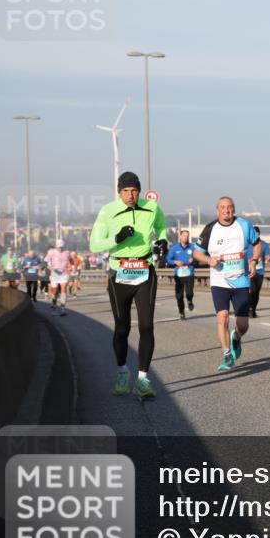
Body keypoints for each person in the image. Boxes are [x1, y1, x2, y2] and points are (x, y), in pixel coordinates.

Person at [89, 171, 169, 399]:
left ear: (139, 190)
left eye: (134, 190)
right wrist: (117, 238)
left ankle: (143, 378)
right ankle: (122, 371)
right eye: (125, 191)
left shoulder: (152, 208)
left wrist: (163, 241)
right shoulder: (108, 211)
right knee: (122, 326)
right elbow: (94, 245)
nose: (130, 195)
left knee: (146, 326)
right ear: (119, 191)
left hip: (145, 271)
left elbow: (162, 228)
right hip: (119, 272)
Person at [193, 197, 261, 371]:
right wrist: (208, 259)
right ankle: (226, 355)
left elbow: (257, 243)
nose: (226, 210)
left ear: (234, 209)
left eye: (229, 207)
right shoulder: (210, 229)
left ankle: (236, 338)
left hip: (241, 281)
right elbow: (196, 253)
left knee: (243, 325)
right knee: (222, 317)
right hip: (219, 281)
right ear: (218, 210)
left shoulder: (244, 225)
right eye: (223, 207)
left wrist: (253, 261)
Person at [166, 229, 197, 320]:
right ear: (180, 236)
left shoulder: (192, 247)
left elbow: (199, 255)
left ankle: (190, 300)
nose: (186, 237)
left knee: (189, 292)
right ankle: (181, 312)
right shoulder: (174, 248)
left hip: (189, 273)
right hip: (178, 275)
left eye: (187, 236)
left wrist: (194, 259)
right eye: (184, 235)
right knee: (179, 295)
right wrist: (175, 261)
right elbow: (168, 259)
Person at [44, 240, 73, 315]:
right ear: (56, 246)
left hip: (64, 273)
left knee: (63, 290)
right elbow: (46, 261)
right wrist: (49, 267)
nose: (60, 248)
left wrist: (70, 268)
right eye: (59, 247)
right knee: (54, 291)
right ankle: (54, 305)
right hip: (54, 274)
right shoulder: (51, 251)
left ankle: (63, 309)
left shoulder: (67, 252)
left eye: (61, 247)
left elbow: (70, 261)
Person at [249, 227, 268, 317]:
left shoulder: (264, 245)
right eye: (253, 233)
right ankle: (249, 308)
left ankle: (253, 308)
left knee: (257, 291)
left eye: (257, 233)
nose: (255, 235)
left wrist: (268, 258)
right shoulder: (246, 244)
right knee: (252, 290)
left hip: (260, 271)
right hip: (248, 271)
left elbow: (268, 255)